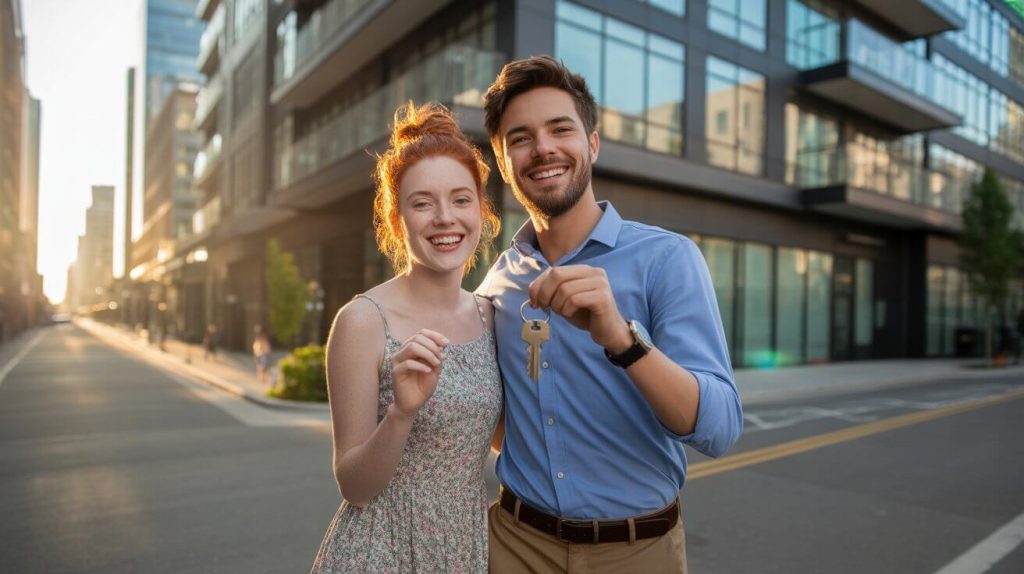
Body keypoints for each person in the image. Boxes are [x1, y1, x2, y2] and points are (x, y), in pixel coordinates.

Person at [476, 56, 744, 573]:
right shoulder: (499, 282)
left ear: (592, 144)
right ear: (504, 162)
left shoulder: (668, 259)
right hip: (513, 545)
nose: (544, 149)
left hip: (637, 551)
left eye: (560, 129)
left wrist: (623, 339)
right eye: (521, 138)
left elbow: (720, 429)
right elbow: (492, 413)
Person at [310, 102, 503, 573]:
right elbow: (353, 486)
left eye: (461, 199)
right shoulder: (362, 321)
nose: (445, 218)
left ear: (481, 210)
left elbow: (502, 440)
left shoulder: (492, 315)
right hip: (381, 550)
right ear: (397, 221)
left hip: (463, 549)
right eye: (422, 203)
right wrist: (401, 413)